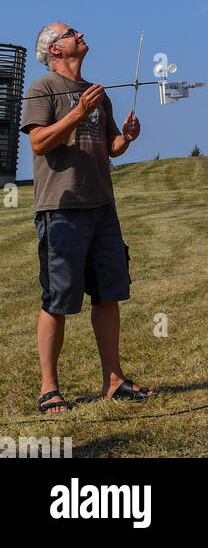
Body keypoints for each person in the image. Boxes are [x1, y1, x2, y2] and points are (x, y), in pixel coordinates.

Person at [20, 23, 154, 413]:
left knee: (108, 293)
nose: (79, 34)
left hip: (102, 208)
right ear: (54, 49)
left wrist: (126, 136)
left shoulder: (98, 93)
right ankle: (49, 388)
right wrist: (78, 112)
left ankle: (113, 380)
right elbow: (40, 141)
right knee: (57, 300)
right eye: (70, 33)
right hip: (60, 209)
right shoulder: (42, 89)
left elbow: (110, 147)